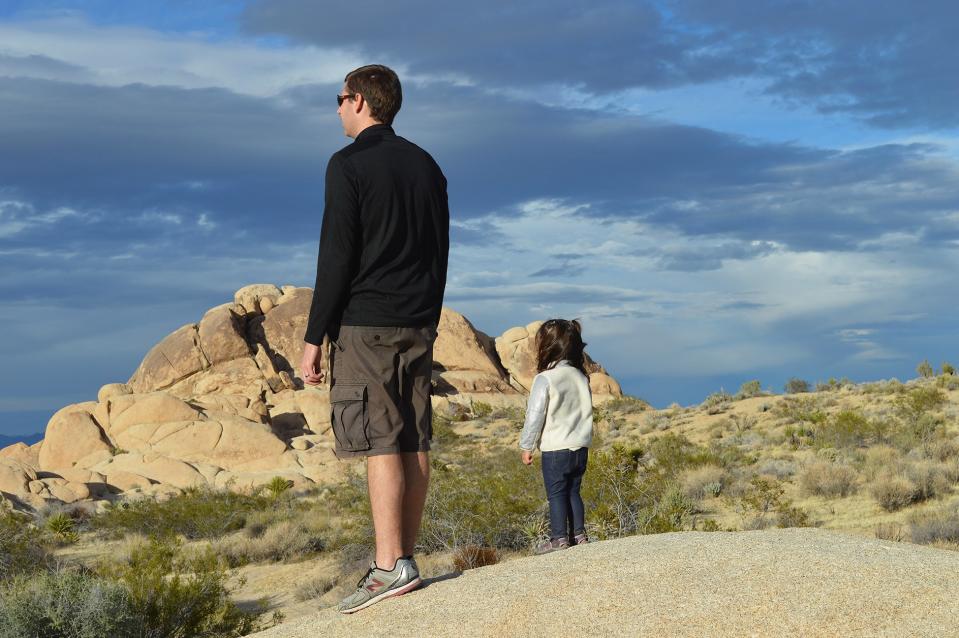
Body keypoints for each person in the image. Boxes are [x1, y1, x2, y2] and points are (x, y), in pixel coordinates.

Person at [299, 64, 449, 613]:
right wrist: (429, 316)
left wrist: (315, 336)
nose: (336, 108)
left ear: (359, 101)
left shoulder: (348, 164)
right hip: (418, 321)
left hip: (366, 323)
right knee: (413, 438)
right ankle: (404, 558)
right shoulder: (426, 165)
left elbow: (337, 255)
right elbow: (440, 250)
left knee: (380, 439)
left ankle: (389, 566)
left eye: (338, 99)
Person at [519, 319, 594, 554]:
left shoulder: (545, 379)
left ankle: (559, 538)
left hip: (555, 448)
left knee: (556, 494)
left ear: (548, 346)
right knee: (573, 491)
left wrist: (527, 445)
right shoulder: (581, 377)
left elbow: (535, 414)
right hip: (580, 446)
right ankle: (579, 534)